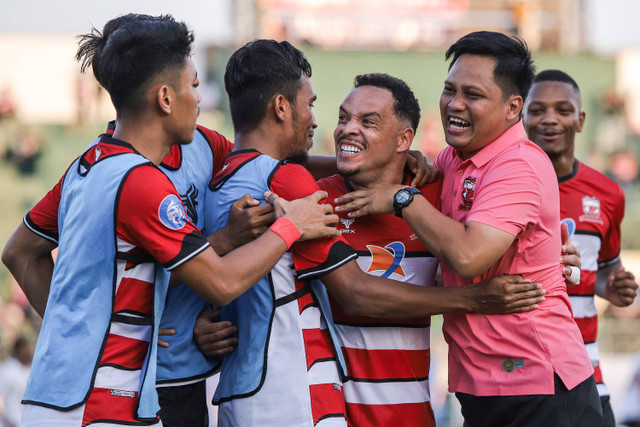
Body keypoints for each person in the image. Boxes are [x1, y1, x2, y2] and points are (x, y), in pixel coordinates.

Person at [1, 15, 340, 426]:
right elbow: (220, 281)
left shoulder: (87, 167)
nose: (200, 98)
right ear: (165, 98)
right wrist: (292, 226)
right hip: (101, 401)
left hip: (77, 396)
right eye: (194, 86)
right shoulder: (142, 183)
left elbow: (20, 251)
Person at [203, 39, 547, 427]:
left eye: (368, 122)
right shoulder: (314, 199)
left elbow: (509, 241)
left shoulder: (433, 194)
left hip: (414, 414)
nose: (347, 129)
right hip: (329, 413)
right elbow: (339, 290)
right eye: (343, 117)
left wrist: (562, 263)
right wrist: (202, 320)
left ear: (404, 140)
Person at [334, 31, 601, 426]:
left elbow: (467, 255)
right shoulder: (454, 158)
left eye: (472, 95)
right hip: (483, 386)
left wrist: (402, 199)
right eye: (448, 90)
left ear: (513, 107)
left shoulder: (518, 164)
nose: (454, 104)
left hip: (541, 385)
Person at [523, 69, 639, 427]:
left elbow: (602, 272)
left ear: (581, 119)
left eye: (562, 109)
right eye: (538, 110)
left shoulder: (607, 193)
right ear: (520, 117)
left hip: (586, 371)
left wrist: (614, 288)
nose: (550, 119)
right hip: (519, 373)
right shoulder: (500, 186)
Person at [0, 336, 33, 427]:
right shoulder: (9, 369)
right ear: (19, 350)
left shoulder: (31, 370)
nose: (29, 351)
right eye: (26, 348)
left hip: (25, 422)